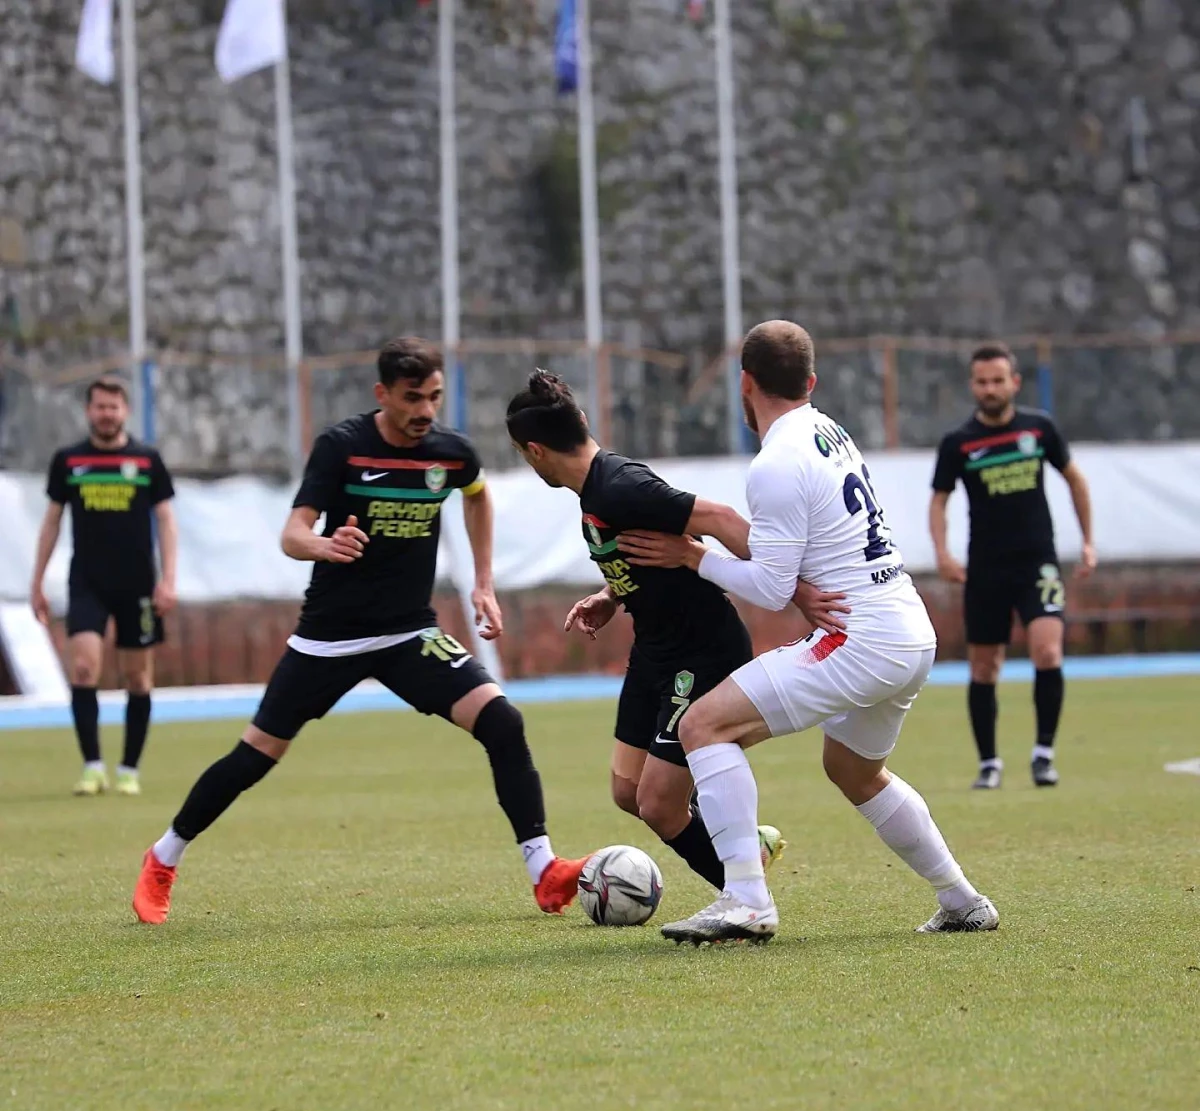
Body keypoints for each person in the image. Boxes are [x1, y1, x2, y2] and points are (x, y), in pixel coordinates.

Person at [131, 338, 589, 924]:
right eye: (411, 398)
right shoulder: (342, 448)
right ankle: (163, 857)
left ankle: (544, 871)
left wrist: (481, 583)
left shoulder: (451, 453)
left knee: (502, 719)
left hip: (408, 634)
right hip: (329, 639)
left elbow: (476, 496)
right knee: (256, 756)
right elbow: (291, 533)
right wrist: (324, 544)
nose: (425, 409)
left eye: (434, 396)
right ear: (382, 394)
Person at [619, 321, 997, 945]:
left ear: (744, 384)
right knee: (852, 770)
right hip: (907, 629)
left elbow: (770, 589)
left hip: (860, 638)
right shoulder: (830, 432)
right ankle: (961, 899)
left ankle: (746, 900)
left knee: (701, 725)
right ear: (811, 382)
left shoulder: (776, 461)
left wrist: (693, 557)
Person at [505, 371, 850, 893]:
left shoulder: (621, 486)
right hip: (655, 650)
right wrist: (611, 596)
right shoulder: (595, 491)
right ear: (579, 421)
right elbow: (646, 554)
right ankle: (740, 840)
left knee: (658, 804)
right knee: (627, 791)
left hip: (702, 650)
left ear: (533, 451)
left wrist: (797, 592)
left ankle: (742, 895)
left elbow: (720, 517)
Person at [929, 343, 1095, 790]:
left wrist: (1088, 541)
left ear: (1014, 383)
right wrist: (942, 554)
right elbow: (939, 500)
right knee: (984, 668)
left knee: (1048, 650)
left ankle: (1044, 755)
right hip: (985, 570)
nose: (990, 388)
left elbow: (1074, 477)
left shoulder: (1039, 430)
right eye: (982, 381)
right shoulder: (959, 442)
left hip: (1037, 564)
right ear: (973, 386)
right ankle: (989, 763)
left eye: (998, 380)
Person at [29, 377, 178, 796]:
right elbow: (52, 521)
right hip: (87, 582)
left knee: (137, 677)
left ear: (125, 411)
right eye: (99, 407)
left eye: (114, 407)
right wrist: (37, 581)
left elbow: (166, 521)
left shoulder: (147, 461)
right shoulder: (69, 461)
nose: (106, 414)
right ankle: (92, 766)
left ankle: (129, 769)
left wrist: (169, 579)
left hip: (138, 584)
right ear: (88, 410)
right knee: (83, 668)